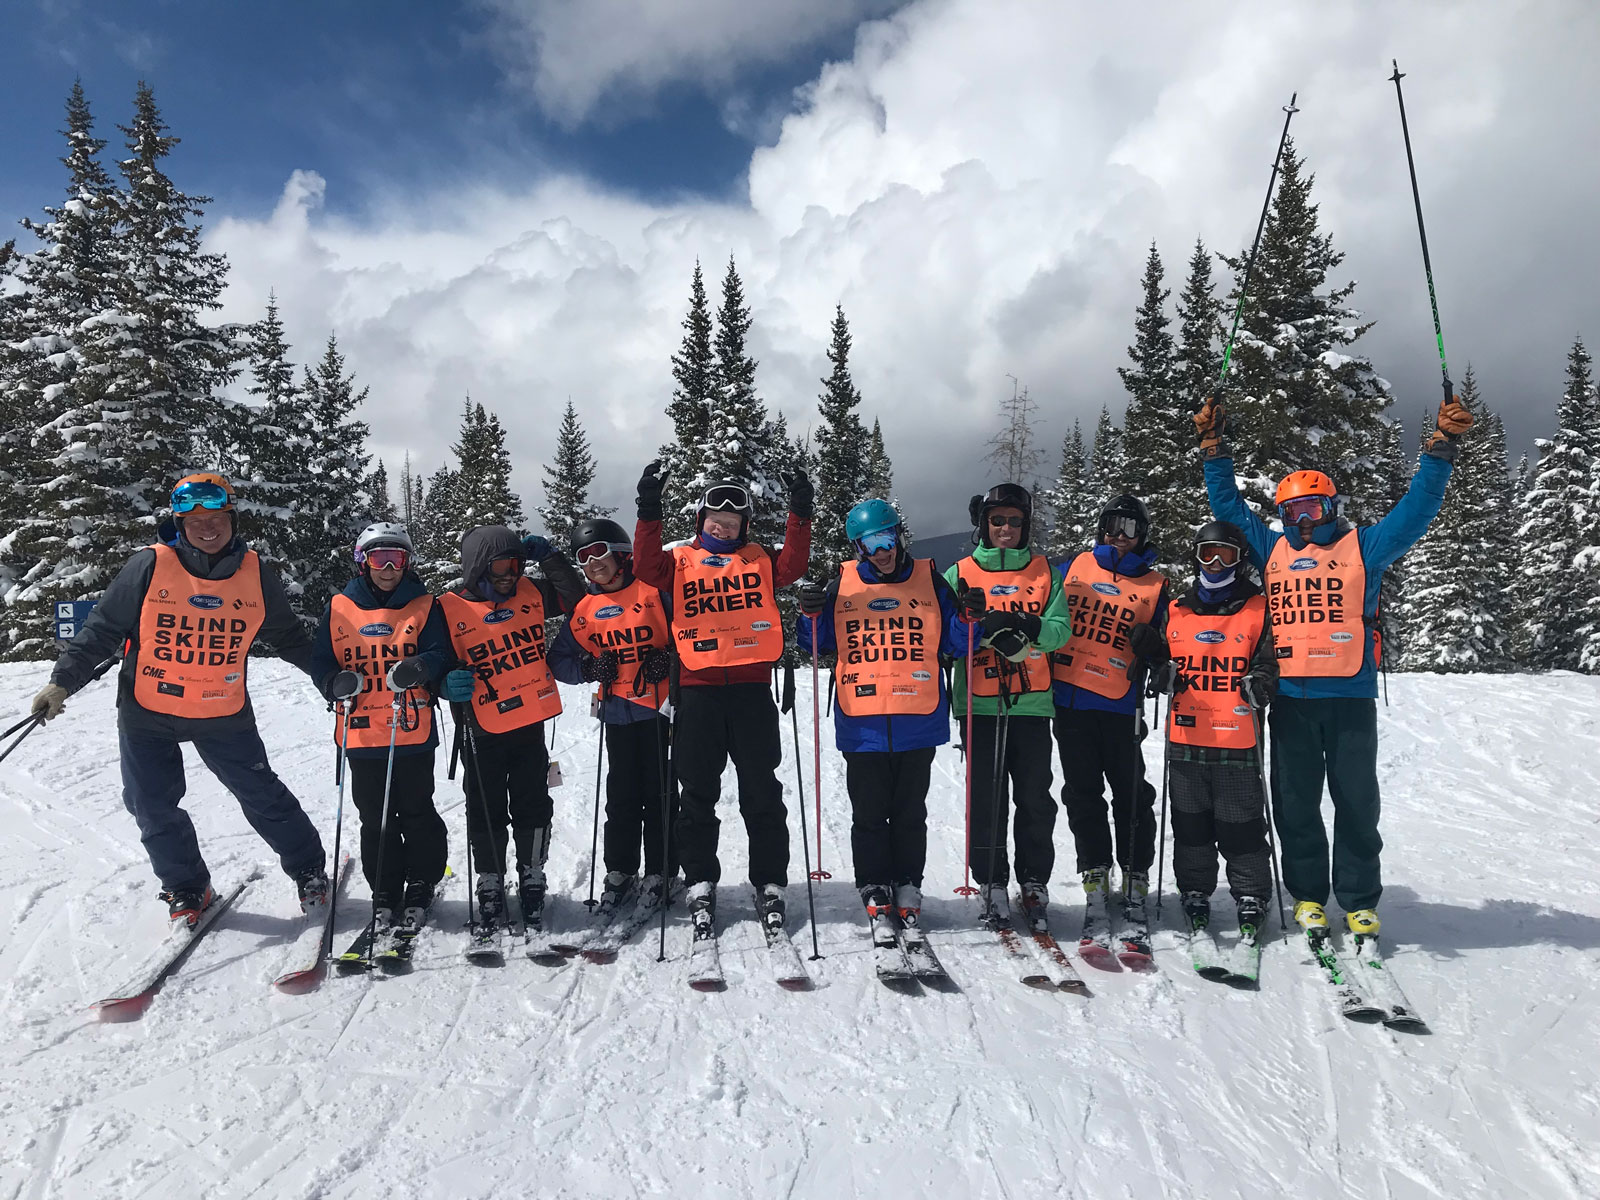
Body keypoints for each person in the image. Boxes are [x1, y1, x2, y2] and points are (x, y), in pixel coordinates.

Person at [1194, 393, 1473, 939]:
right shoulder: (1270, 550)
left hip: (1348, 697)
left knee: (1356, 802)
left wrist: (1439, 451)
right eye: (1293, 510)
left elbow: (1415, 511)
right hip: (1292, 700)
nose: (1303, 519)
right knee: (1295, 804)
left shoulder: (1364, 547)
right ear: (1281, 515)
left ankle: (1360, 896)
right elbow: (1227, 509)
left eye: (1313, 508)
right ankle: (1307, 895)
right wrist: (1213, 450)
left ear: (1332, 507)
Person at [30, 473, 328, 927]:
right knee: (151, 803)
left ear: (232, 519)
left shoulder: (255, 573)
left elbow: (288, 637)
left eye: (216, 518)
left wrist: (332, 677)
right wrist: (61, 682)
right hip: (147, 710)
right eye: (194, 520)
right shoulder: (149, 565)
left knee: (260, 792)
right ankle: (187, 886)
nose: (207, 528)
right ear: (179, 524)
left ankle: (308, 869)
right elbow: (104, 629)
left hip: (221, 710)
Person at [631, 463, 813, 940]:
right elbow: (644, 567)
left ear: (744, 527)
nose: (722, 526)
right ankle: (699, 881)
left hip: (751, 691)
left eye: (732, 523)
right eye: (715, 519)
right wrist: (649, 508)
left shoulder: (760, 559)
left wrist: (800, 511)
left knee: (762, 790)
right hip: (697, 692)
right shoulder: (679, 561)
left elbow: (795, 564)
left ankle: (770, 880)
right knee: (696, 794)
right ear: (701, 521)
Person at [795, 498, 969, 947]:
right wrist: (810, 612)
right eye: (871, 542)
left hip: (918, 716)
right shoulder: (844, 585)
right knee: (869, 815)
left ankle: (908, 881)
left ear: (899, 536)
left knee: (911, 813)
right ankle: (873, 884)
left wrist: (971, 617)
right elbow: (816, 643)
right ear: (858, 547)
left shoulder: (931, 580)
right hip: (863, 721)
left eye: (887, 538)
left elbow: (957, 642)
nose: (882, 550)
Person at [1129, 520, 1276, 940]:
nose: (1214, 562)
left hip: (1236, 735)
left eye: (1225, 554)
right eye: (1206, 552)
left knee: (1239, 822)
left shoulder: (1258, 608)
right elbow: (1163, 661)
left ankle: (1250, 892)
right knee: (1190, 822)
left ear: (1240, 559)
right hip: (1187, 736)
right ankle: (1194, 888)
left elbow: (1270, 659)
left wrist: (1261, 681)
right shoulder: (1178, 609)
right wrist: (1160, 668)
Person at [438, 525, 585, 932]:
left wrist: (551, 559)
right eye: (500, 565)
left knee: (532, 803)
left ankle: (532, 874)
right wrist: (443, 683)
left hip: (528, 722)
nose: (510, 573)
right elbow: (431, 660)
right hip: (480, 727)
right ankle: (490, 880)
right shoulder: (446, 608)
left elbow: (576, 599)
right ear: (476, 567)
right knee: (485, 809)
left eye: (516, 564)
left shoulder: (530, 591)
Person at [309, 522, 451, 939]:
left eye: (397, 559)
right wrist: (332, 682)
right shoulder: (339, 606)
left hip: (410, 727)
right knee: (375, 815)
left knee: (417, 810)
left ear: (407, 563)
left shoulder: (424, 604)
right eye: (378, 558)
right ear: (363, 562)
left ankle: (422, 881)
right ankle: (385, 888)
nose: (388, 567)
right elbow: (321, 659)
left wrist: (420, 667)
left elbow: (442, 651)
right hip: (361, 731)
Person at [945, 483, 1072, 925]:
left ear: (1026, 525)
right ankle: (991, 880)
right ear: (984, 523)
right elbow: (943, 637)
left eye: (1014, 521)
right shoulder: (959, 572)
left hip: (1032, 704)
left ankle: (1033, 880)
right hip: (979, 705)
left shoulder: (1045, 572)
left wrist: (1023, 622)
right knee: (987, 798)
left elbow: (1061, 630)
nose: (1005, 528)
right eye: (997, 520)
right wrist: (973, 623)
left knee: (1035, 798)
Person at [1050, 494, 1170, 956]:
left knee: (1131, 792)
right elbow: (1040, 605)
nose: (1120, 536)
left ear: (1143, 535)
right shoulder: (1074, 567)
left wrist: (1154, 647)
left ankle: (1135, 876)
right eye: (1112, 526)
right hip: (1071, 699)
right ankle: (1095, 875)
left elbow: (1170, 643)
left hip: (1121, 705)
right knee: (1083, 793)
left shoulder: (1156, 585)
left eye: (1130, 528)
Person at [547, 517, 679, 917]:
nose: (592, 563)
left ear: (620, 554)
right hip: (616, 716)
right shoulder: (585, 608)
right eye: (583, 557)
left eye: (598, 552)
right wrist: (589, 670)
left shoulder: (654, 592)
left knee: (659, 794)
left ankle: (661, 872)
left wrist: (669, 659)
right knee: (621, 799)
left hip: (659, 712)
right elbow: (559, 660)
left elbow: (691, 635)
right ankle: (620, 871)